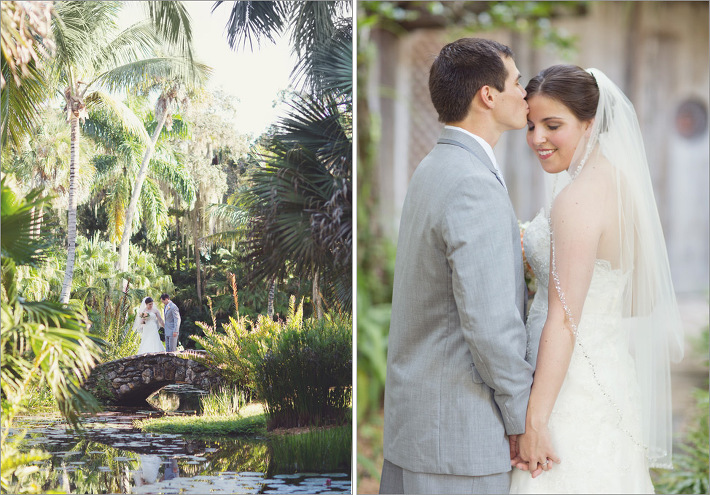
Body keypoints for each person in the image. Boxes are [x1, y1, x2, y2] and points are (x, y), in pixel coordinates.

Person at [510, 65, 684, 493]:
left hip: (567, 392)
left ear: (592, 122)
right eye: (531, 125)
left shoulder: (577, 198)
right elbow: (641, 300)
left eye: (553, 125)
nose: (537, 139)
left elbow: (565, 320)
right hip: (610, 375)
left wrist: (535, 421)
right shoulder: (623, 188)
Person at [379, 38, 534, 495]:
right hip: (460, 441)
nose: (525, 93)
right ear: (488, 94)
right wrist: (523, 417)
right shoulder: (472, 183)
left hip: (419, 433)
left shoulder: (432, 167)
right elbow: (490, 324)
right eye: (518, 82)